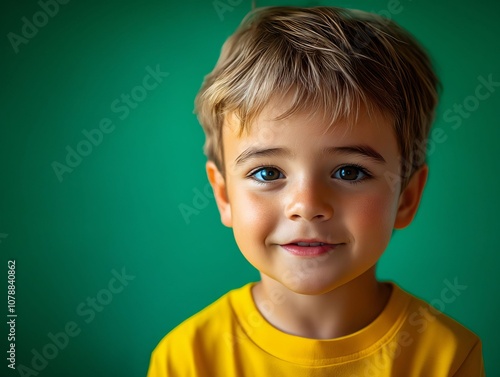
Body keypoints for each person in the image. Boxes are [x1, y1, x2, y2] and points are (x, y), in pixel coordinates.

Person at [147, 6, 485, 376]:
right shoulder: (187, 359)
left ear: (406, 197)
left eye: (349, 171)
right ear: (224, 196)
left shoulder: (447, 357)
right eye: (268, 172)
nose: (307, 206)